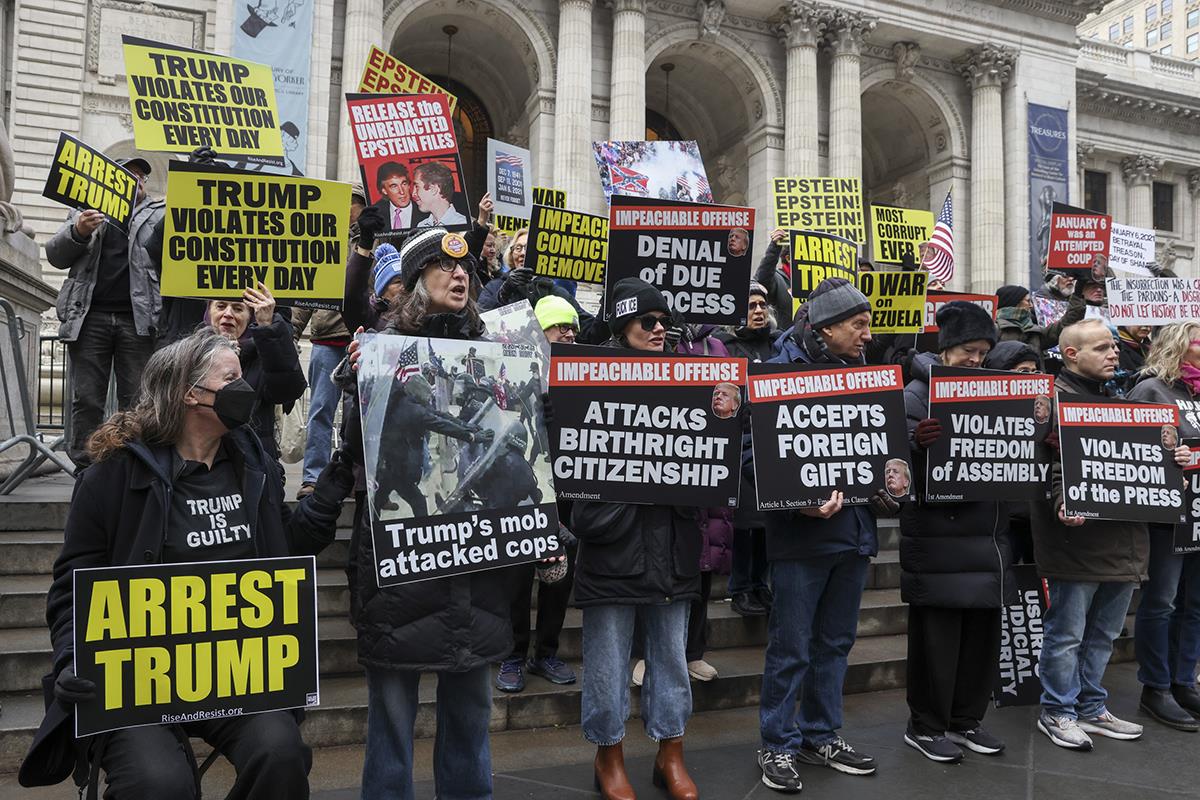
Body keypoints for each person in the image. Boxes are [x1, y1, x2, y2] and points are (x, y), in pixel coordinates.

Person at [17, 330, 356, 798]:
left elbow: (291, 545)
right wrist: (72, 656)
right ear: (189, 393)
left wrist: (336, 479)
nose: (246, 390)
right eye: (231, 379)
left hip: (237, 674)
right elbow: (71, 586)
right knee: (160, 784)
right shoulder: (110, 477)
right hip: (138, 682)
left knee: (281, 754)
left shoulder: (254, 465)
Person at [340, 227, 513, 800]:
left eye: (465, 268)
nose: (460, 274)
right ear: (415, 282)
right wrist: (360, 380)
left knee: (470, 715)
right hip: (400, 568)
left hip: (475, 564)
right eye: (443, 266)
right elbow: (355, 454)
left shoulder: (495, 353)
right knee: (391, 717)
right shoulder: (379, 352)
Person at [750, 278, 899, 793]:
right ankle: (777, 743)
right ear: (826, 327)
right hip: (801, 542)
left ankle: (820, 733)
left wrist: (885, 487)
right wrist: (797, 499)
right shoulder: (774, 374)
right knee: (790, 647)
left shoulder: (864, 377)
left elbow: (876, 456)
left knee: (836, 643)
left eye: (868, 325)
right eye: (858, 325)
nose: (867, 335)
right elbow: (752, 460)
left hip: (854, 535)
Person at [573, 277, 701, 800]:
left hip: (670, 549)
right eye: (648, 321)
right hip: (613, 548)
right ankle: (609, 756)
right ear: (622, 324)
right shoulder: (587, 381)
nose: (659, 329)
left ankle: (671, 753)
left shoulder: (686, 377)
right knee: (607, 663)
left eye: (664, 321)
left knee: (671, 658)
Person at [1033, 318, 1188, 750]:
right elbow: (1038, 470)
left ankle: (1089, 706)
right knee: (1067, 634)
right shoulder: (1049, 402)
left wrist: (1172, 456)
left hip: (1124, 541)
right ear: (1071, 354)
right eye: (1101, 348)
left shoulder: (1119, 400)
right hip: (1075, 543)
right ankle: (1058, 710)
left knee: (1103, 634)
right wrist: (1060, 499)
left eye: (1113, 347)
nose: (1114, 353)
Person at [901, 300, 1013, 764]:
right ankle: (925, 727)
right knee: (936, 641)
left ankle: (967, 720)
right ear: (946, 348)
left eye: (983, 351)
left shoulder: (995, 389)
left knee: (980, 640)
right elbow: (893, 470)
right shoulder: (914, 394)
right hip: (937, 539)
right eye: (968, 349)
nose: (976, 359)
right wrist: (917, 445)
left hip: (985, 539)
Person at [45, 155, 163, 466]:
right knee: (86, 399)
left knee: (138, 401)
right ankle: (86, 467)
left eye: (140, 176)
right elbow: (55, 255)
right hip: (90, 319)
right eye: (128, 174)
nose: (136, 179)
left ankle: (132, 464)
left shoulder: (158, 213)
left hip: (138, 322)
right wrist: (79, 231)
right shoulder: (85, 211)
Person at [498, 296, 580, 694]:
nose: (567, 332)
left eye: (572, 327)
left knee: (558, 578)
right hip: (522, 489)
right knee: (515, 577)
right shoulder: (516, 373)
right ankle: (512, 655)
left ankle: (545, 652)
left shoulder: (582, 375)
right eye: (558, 326)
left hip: (565, 492)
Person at [1126, 321, 1200, 729]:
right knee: (1162, 601)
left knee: (1194, 605)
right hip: (1167, 516)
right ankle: (1156, 687)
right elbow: (1127, 452)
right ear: (1178, 345)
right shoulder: (1150, 389)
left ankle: (1183, 680)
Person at [291, 184, 366, 497]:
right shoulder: (324, 240)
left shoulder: (375, 242)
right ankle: (313, 478)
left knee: (356, 415)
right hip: (325, 339)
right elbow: (307, 288)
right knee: (320, 409)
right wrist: (293, 330)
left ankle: (349, 478)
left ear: (361, 206)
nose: (344, 208)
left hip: (360, 341)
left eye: (350, 203)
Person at [716, 282, 782, 618]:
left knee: (768, 524)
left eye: (762, 305)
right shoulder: (725, 347)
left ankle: (761, 584)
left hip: (771, 444)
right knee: (745, 525)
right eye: (751, 305)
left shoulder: (777, 344)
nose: (758, 311)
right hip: (738, 442)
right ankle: (741, 587)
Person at [207, 283, 307, 462]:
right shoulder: (191, 355)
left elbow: (288, 391)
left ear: (249, 318)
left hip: (254, 463)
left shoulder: (263, 352)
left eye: (238, 309)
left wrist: (268, 329)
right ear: (209, 312)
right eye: (220, 306)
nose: (228, 314)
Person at [985, 340, 1044, 566]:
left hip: (1035, 518)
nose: (1031, 377)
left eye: (1034, 371)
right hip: (1001, 518)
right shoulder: (982, 414)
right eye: (1023, 372)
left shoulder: (1044, 412)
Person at [754, 228, 794, 328]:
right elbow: (762, 280)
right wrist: (775, 247)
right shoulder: (777, 279)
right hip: (784, 339)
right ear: (788, 258)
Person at [372, 161, 428, 230]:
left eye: (404, 184)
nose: (402, 192)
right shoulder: (375, 213)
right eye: (394, 186)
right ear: (384, 190)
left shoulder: (426, 211)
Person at [413, 162, 468, 227]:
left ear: (433, 189)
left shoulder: (463, 223)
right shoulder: (421, 225)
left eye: (417, 187)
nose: (413, 193)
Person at [996, 284, 1046, 354]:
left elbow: (1056, 329)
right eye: (1028, 301)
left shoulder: (1035, 327)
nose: (1031, 305)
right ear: (1015, 302)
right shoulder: (994, 327)